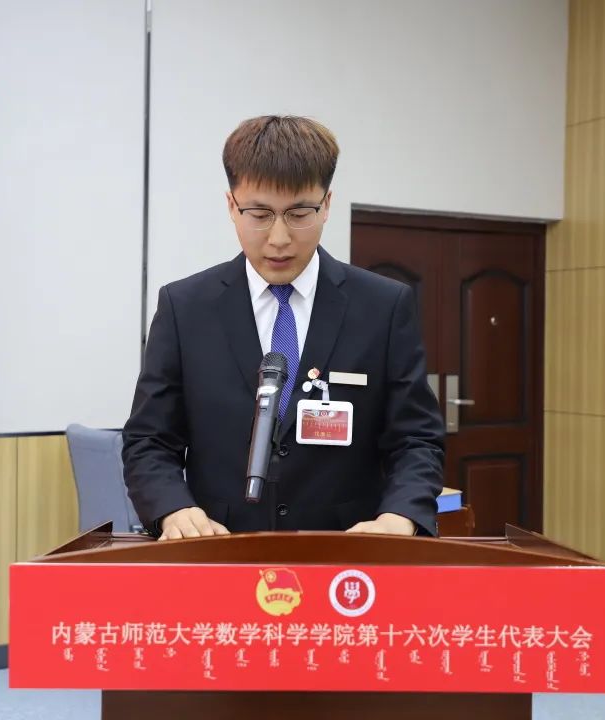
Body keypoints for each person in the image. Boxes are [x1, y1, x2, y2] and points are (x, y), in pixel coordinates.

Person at [122, 115, 444, 540]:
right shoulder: (185, 307)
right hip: (219, 547)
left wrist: (400, 515)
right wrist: (173, 509)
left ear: (326, 205)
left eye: (299, 213)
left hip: (346, 555)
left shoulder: (383, 306)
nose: (278, 238)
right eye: (259, 214)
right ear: (231, 205)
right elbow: (149, 440)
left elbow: (416, 438)